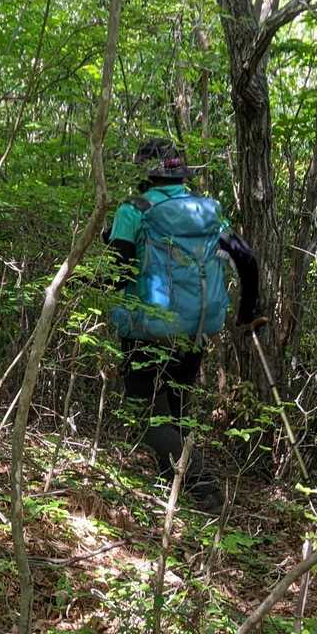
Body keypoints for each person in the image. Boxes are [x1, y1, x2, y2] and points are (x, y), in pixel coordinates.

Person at [102, 137, 264, 512]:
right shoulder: (205, 211)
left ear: (143, 171)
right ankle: (173, 488)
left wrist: (85, 276)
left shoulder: (134, 209)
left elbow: (117, 272)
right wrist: (246, 312)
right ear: (180, 173)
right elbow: (247, 258)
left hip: (147, 327)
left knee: (146, 411)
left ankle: (202, 485)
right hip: (196, 327)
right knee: (175, 408)